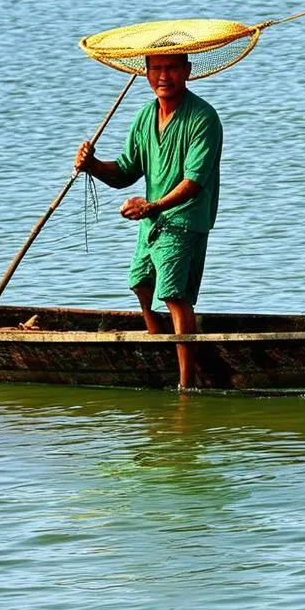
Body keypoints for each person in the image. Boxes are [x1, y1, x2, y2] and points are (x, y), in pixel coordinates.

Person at [74, 53, 222, 390]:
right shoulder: (145, 117)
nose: (164, 76)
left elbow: (193, 182)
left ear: (186, 71)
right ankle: (162, 349)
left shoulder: (203, 118)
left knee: (172, 294)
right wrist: (93, 165)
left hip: (184, 219)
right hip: (152, 220)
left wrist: (152, 205)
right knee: (140, 283)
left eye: (171, 68)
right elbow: (126, 171)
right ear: (146, 73)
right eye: (156, 68)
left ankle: (187, 385)